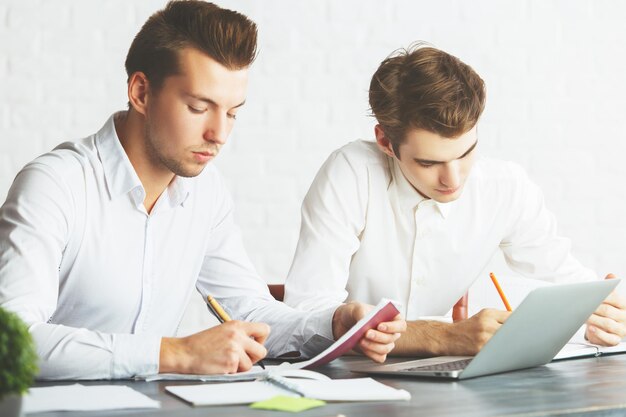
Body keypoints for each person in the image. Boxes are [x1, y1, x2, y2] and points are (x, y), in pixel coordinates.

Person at [0, 0, 405, 380]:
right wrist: (174, 354)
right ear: (141, 92)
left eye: (232, 113)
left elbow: (249, 311)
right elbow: (13, 341)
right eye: (198, 108)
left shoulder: (205, 191)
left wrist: (334, 323)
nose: (219, 134)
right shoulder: (55, 186)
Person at [284, 43, 626, 356]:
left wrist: (596, 319)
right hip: (348, 380)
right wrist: (439, 336)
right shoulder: (352, 173)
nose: (454, 179)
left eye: (467, 153)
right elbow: (307, 315)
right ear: (386, 143)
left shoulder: (506, 187)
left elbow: (566, 280)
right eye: (429, 163)